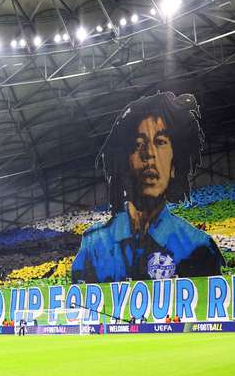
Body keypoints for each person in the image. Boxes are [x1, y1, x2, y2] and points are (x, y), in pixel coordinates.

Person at [73, 92, 224, 283]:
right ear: (124, 162)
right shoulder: (94, 243)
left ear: (174, 163)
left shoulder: (198, 247)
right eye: (138, 144)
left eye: (160, 142)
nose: (149, 155)